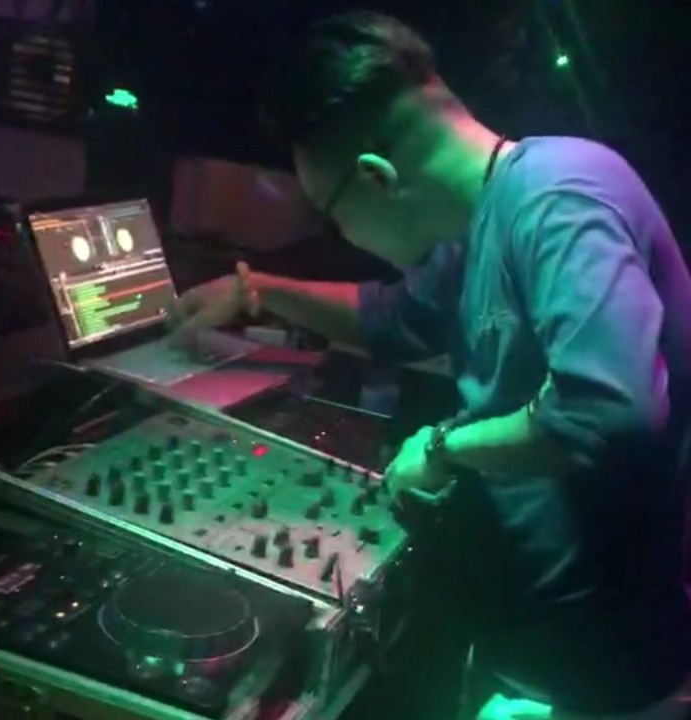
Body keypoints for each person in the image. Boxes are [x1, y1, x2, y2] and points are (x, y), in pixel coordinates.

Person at [168, 11, 691, 720]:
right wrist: (255, 289)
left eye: (331, 214)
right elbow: (390, 318)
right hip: (529, 647)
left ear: (377, 177)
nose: (342, 235)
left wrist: (441, 449)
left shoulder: (561, 195)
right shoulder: (479, 225)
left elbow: (606, 408)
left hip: (607, 674)